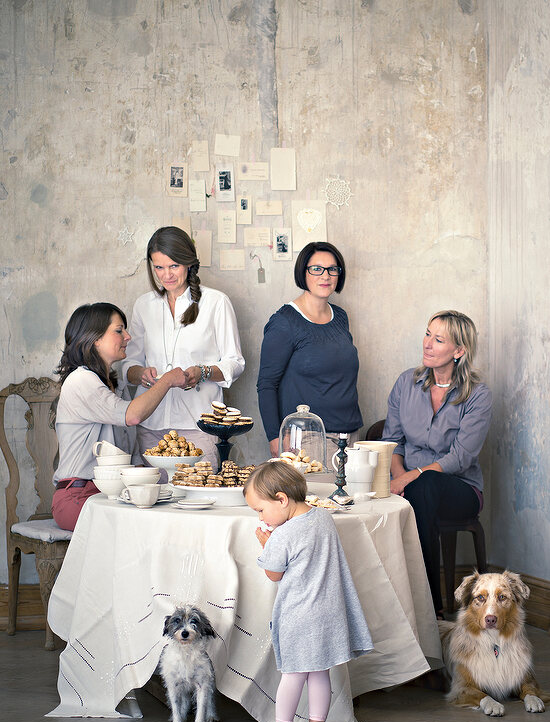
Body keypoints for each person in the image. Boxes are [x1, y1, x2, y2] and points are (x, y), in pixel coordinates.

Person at [244, 460, 373, 722]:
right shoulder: (324, 518)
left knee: (292, 676)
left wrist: (267, 544)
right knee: (319, 674)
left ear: (281, 499)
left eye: (261, 510)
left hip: (298, 616)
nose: (261, 518)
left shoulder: (282, 534)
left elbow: (273, 573)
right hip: (328, 613)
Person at [382, 310, 492, 618]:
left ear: (459, 351)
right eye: (428, 334)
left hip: (461, 490)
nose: (427, 344)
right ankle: (406, 605)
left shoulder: (478, 394)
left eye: (439, 339)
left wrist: (411, 477)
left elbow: (461, 457)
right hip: (410, 485)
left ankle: (427, 609)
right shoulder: (406, 383)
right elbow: (392, 441)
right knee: (418, 493)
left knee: (426, 486)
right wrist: (401, 477)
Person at [52, 303, 189, 530]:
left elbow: (132, 459)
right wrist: (168, 381)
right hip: (79, 497)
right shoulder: (81, 381)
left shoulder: (115, 385)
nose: (128, 336)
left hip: (115, 494)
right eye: (119, 330)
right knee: (142, 530)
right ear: (95, 338)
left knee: (170, 520)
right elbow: (132, 415)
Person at [122, 227, 245, 466]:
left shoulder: (216, 302)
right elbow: (129, 364)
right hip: (151, 424)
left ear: (188, 263)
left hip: (200, 426)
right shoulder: (143, 305)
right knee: (153, 499)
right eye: (158, 267)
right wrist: (140, 373)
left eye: (173, 266)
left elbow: (235, 362)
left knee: (200, 497)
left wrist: (203, 372)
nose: (166, 275)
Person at [257, 242, 362, 458]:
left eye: (332, 269)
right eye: (316, 269)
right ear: (303, 273)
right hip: (308, 437)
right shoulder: (284, 322)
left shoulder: (340, 317)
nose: (325, 276)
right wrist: (275, 438)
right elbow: (267, 384)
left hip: (351, 435)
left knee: (353, 493)